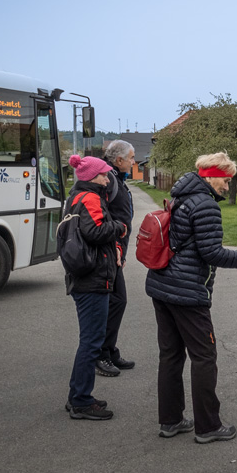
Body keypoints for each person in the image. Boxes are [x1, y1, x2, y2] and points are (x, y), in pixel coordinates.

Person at [144, 152, 237, 443]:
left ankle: (171, 420)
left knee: (171, 355)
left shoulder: (182, 195)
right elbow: (212, 253)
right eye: (226, 180)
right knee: (204, 356)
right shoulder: (205, 205)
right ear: (212, 176)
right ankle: (208, 426)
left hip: (162, 285)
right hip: (187, 292)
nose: (229, 186)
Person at [64, 154, 127, 421]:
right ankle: (80, 401)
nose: (106, 178)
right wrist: (120, 228)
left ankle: (77, 396)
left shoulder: (77, 196)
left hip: (85, 277)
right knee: (91, 342)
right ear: (92, 177)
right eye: (103, 174)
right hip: (92, 280)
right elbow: (95, 232)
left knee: (89, 340)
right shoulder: (90, 198)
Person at [95, 140, 136, 378]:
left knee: (117, 301)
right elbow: (102, 215)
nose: (134, 161)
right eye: (131, 158)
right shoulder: (107, 179)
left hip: (116, 251)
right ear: (118, 160)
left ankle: (109, 350)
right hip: (109, 252)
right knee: (114, 301)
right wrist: (116, 247)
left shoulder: (115, 177)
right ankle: (101, 354)